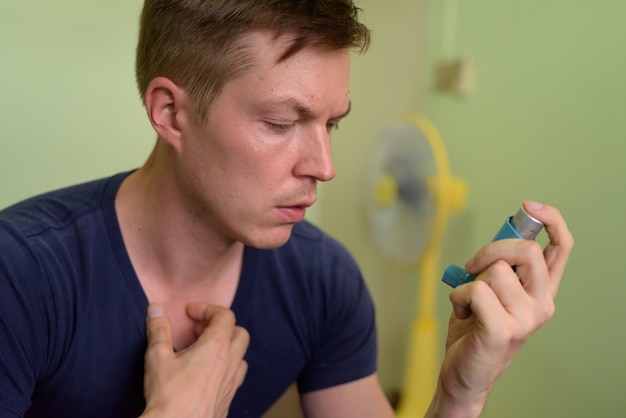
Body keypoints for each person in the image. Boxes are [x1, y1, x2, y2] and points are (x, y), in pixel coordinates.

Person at [0, 0, 574, 417]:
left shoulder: (322, 278)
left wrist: (459, 396)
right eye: (281, 123)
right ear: (170, 113)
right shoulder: (20, 277)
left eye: (332, 124)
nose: (323, 166)